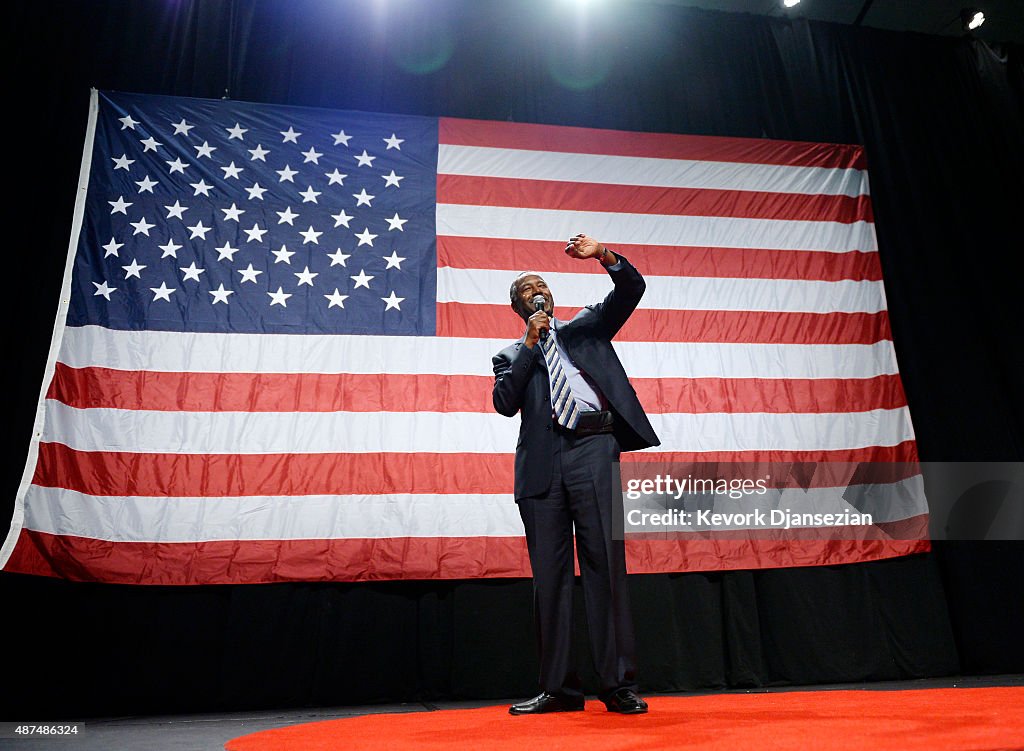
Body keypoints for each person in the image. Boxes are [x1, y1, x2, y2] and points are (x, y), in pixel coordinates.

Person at [492, 233, 661, 715]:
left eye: (541, 285)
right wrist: (529, 343)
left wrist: (604, 255)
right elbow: (505, 404)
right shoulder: (509, 356)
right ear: (518, 307)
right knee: (551, 579)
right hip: (543, 468)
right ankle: (559, 689)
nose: (537, 291)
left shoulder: (586, 327)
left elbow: (631, 290)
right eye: (527, 290)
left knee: (605, 568)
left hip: (593, 447)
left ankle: (617, 685)